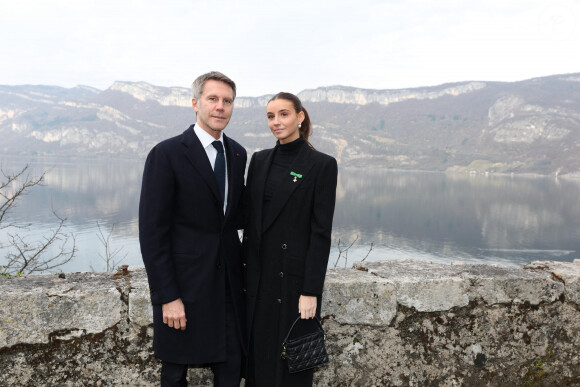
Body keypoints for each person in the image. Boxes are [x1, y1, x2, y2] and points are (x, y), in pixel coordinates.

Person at [139, 71, 247, 387]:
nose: (220, 107)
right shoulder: (167, 154)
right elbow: (152, 233)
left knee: (231, 369)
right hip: (183, 289)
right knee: (175, 374)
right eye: (212, 99)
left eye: (227, 101)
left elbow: (238, 217)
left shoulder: (238, 154)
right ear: (195, 103)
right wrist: (167, 296)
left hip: (228, 285)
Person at [243, 92, 338, 386]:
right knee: (257, 362)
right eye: (270, 116)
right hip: (258, 281)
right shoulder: (259, 160)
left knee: (291, 366)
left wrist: (311, 291)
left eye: (283, 114)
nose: (276, 122)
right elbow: (249, 219)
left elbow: (320, 234)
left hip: (294, 284)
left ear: (300, 117)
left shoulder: (321, 165)